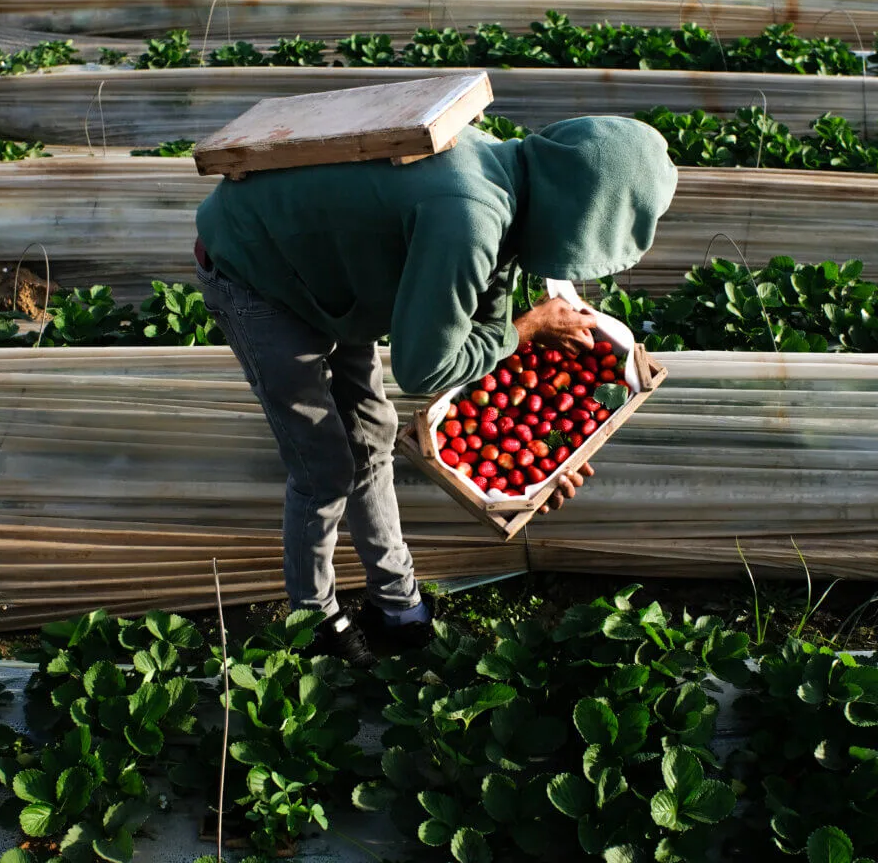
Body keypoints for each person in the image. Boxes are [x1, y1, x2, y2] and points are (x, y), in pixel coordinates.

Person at [194, 115, 678, 666]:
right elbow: (425, 371)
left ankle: (395, 601)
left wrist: (546, 458)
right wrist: (526, 329)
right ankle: (314, 618)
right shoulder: (469, 215)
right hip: (255, 270)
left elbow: (486, 312)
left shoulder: (511, 177)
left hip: (335, 273)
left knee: (373, 436)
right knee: (323, 465)